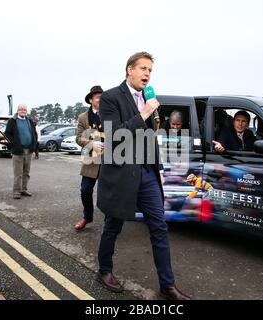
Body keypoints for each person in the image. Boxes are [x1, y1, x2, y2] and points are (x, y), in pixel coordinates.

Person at [96, 52, 190, 300]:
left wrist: (158, 170)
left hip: (147, 173)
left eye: (150, 70)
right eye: (143, 68)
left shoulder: (149, 98)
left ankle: (167, 285)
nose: (148, 74)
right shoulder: (110, 97)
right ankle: (104, 270)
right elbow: (115, 135)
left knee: (159, 227)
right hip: (122, 174)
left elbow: (150, 140)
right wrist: (145, 114)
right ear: (130, 70)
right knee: (113, 226)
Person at [74, 85, 104, 231]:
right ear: (91, 100)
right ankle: (87, 217)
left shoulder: (111, 114)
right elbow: (79, 138)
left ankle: (111, 220)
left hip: (109, 160)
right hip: (91, 160)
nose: (101, 99)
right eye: (98, 97)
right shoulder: (83, 117)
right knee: (85, 190)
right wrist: (92, 144)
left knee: (108, 193)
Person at [4, 104, 38, 199]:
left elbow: (34, 134)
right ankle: (16, 191)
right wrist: (14, 143)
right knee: (18, 173)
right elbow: (7, 134)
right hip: (18, 151)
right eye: (21, 109)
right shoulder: (12, 121)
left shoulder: (29, 121)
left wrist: (34, 145)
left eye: (24, 109)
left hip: (29, 151)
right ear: (17, 110)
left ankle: (24, 189)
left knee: (26, 172)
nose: (23, 111)